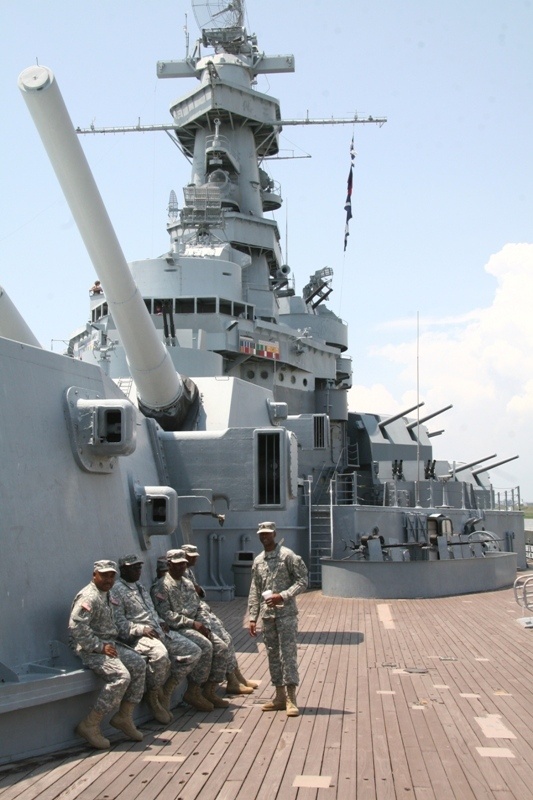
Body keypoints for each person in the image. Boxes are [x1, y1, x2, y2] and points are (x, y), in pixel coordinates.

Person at [111, 554, 202, 723]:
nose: (138, 570)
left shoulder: (140, 587)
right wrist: (141, 629)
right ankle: (153, 695)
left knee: (194, 651)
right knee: (160, 655)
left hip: (158, 631)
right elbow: (119, 624)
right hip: (139, 636)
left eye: (139, 567)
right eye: (133, 568)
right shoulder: (116, 591)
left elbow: (150, 612)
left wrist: (160, 622)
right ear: (123, 570)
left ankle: (167, 689)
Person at [68, 560, 147, 749]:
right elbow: (76, 626)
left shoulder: (108, 594)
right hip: (90, 648)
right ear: (94, 575)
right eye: (104, 575)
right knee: (121, 677)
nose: (108, 579)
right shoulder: (89, 597)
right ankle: (90, 724)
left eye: (111, 576)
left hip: (109, 644)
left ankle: (124, 716)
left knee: (138, 664)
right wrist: (98, 647)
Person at [152, 549, 230, 712]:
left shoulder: (187, 584)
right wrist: (193, 623)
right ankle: (193, 690)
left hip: (196, 625)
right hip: (178, 628)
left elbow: (198, 608)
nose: (181, 568)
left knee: (222, 647)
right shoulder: (161, 587)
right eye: (177, 564)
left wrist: (204, 625)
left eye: (184, 564)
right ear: (169, 565)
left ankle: (209, 690)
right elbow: (166, 615)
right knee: (206, 647)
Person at [181, 543, 259, 696]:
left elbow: (198, 591)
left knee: (227, 638)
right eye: (192, 556)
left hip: (202, 611)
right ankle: (232, 681)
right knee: (222, 643)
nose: (195, 559)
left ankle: (237, 677)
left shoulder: (188, 572)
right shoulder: (180, 575)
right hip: (194, 616)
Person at [248, 522, 308, 716]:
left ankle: (292, 699)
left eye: (267, 534)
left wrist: (283, 595)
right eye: (261, 534)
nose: (264, 537)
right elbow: (255, 590)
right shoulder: (258, 561)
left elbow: (302, 581)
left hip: (286, 615)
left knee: (288, 655)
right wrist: (252, 617)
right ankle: (279, 696)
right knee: (273, 655)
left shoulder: (288, 557)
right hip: (268, 617)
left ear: (274, 534)